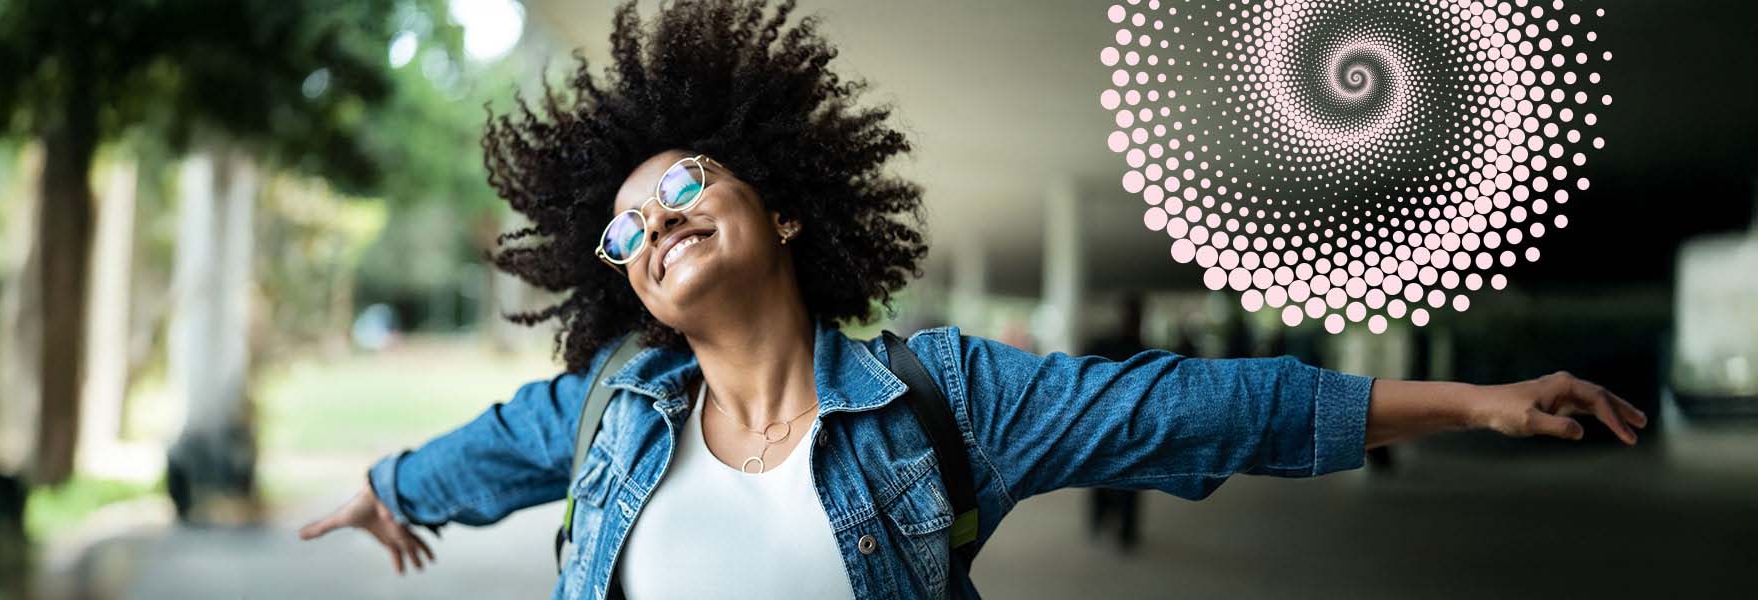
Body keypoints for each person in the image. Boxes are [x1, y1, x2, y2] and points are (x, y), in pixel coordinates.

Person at [297, 1, 1648, 598]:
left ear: (782, 210)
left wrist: (1474, 398)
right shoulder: (615, 405)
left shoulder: (947, 400)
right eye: (626, 228)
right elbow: (499, 446)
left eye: (688, 184)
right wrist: (391, 483)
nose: (657, 223)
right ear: (637, 293)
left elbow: (1209, 409)